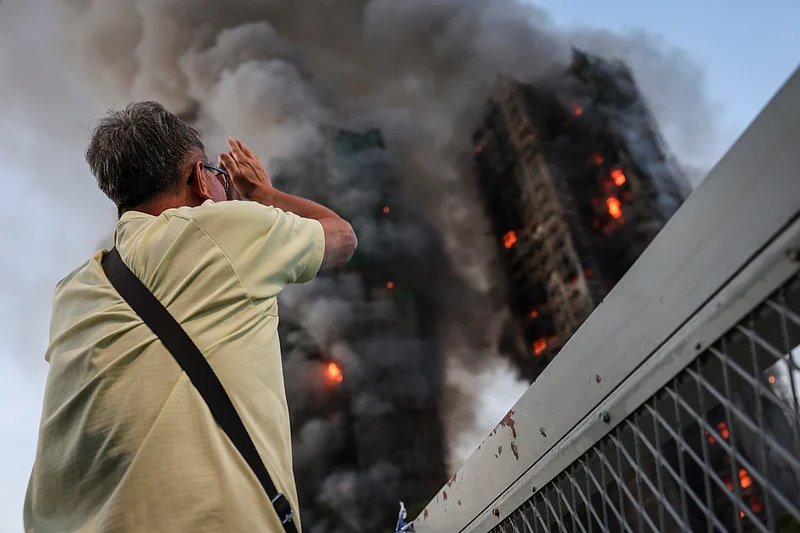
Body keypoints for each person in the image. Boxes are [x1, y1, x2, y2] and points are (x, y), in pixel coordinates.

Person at [23, 101, 358, 532]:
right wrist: (263, 196)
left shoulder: (71, 292)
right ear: (201, 178)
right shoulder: (217, 229)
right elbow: (343, 237)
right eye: (218, 178)